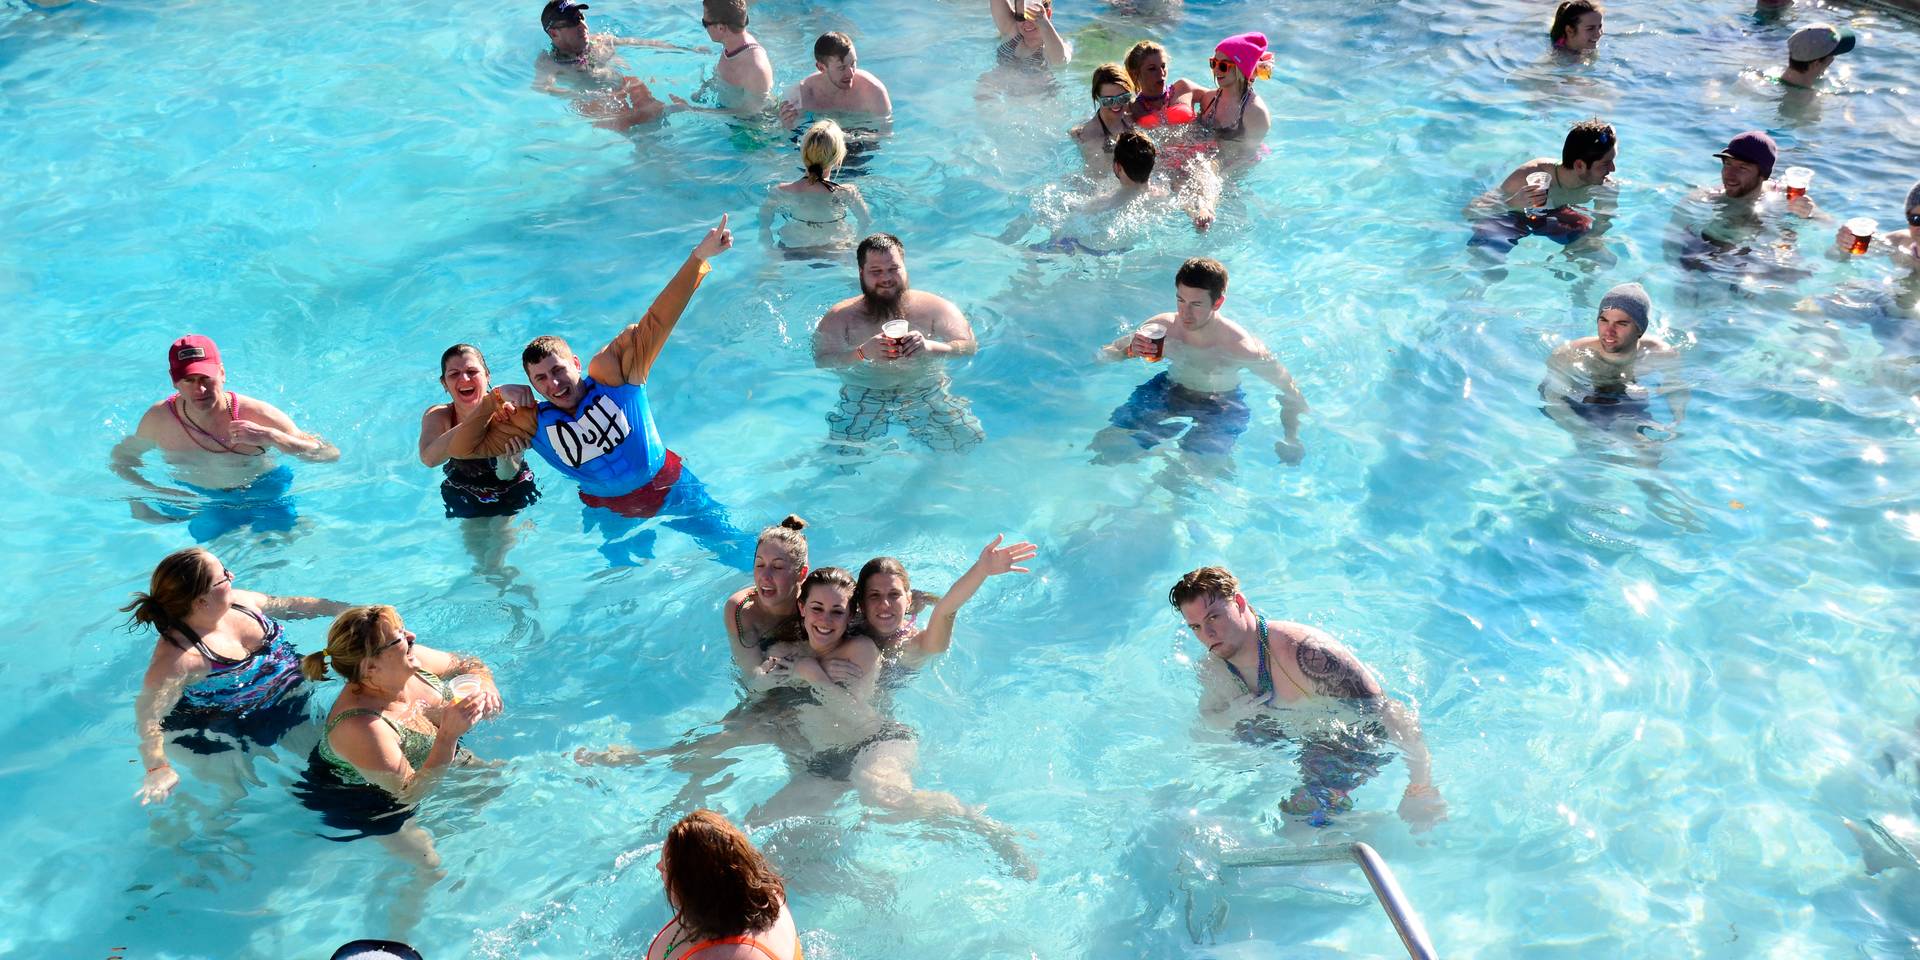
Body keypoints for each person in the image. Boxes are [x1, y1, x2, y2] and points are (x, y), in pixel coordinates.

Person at [446, 217, 752, 568]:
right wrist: (493, 399)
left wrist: (699, 257)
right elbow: (460, 448)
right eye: (541, 379)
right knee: (622, 575)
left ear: (575, 363)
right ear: (532, 385)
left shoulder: (616, 377)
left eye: (559, 370)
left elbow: (659, 319)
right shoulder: (530, 424)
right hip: (611, 507)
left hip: (669, 485)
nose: (554, 384)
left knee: (730, 544)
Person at [750, 569, 1030, 874]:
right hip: (826, 762)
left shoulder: (861, 651)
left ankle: (984, 827)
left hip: (876, 742)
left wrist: (813, 675)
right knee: (758, 828)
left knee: (885, 797)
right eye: (817, 609)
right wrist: (780, 673)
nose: (825, 620)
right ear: (802, 608)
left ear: (850, 616)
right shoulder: (787, 651)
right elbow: (757, 688)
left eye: (837, 612)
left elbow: (851, 713)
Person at [1168, 566, 1446, 831]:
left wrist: (1421, 785)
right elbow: (1207, 723)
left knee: (1294, 822)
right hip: (1289, 730)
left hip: (1345, 741)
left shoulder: (1305, 654)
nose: (1208, 635)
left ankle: (1353, 826)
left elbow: (1390, 712)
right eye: (1196, 628)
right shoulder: (1214, 666)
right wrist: (1233, 715)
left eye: (1213, 617)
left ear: (1239, 602)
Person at [127, 548, 351, 805]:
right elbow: (148, 715)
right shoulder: (178, 658)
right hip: (242, 722)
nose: (231, 575)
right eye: (223, 577)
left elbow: (291, 606)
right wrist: (158, 768)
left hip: (295, 694)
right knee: (335, 781)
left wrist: (351, 612)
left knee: (347, 756)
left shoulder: (241, 603)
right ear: (201, 601)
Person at [295, 605, 500, 862]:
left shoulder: (413, 662)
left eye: (403, 630)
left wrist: (488, 687)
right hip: (363, 798)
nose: (412, 636)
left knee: (495, 783)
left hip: (423, 754)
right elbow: (409, 793)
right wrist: (448, 736)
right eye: (399, 638)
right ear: (370, 668)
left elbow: (467, 664)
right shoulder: (361, 727)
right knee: (431, 867)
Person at [112, 335, 338, 542]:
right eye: (189, 380)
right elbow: (122, 460)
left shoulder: (257, 414)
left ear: (222, 373)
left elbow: (329, 454)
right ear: (174, 380)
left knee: (280, 546)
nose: (199, 389)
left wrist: (272, 436)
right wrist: (141, 497)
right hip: (203, 498)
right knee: (209, 544)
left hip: (263, 490)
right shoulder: (159, 420)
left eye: (206, 378)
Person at [1091, 257, 1308, 465]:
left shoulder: (1240, 346)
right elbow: (1103, 356)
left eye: (1196, 304)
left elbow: (1290, 392)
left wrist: (1292, 437)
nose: (1184, 313)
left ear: (1218, 302)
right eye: (1180, 300)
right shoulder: (1162, 327)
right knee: (1108, 448)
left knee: (1193, 474)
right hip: (1169, 390)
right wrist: (1129, 351)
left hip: (1220, 405)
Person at [812, 234, 985, 455]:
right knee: (843, 454)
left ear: (905, 268)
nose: (886, 278)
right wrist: (862, 353)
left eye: (893, 269)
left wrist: (932, 347)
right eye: (876, 271)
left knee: (968, 440)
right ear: (861, 273)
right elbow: (823, 361)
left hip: (924, 385)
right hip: (866, 390)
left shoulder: (936, 308)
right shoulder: (840, 318)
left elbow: (969, 346)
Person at [418, 345, 541, 573]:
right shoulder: (440, 415)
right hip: (464, 486)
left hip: (512, 484)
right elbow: (429, 458)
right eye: (454, 374)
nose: (464, 378)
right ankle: (506, 588)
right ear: (444, 384)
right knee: (479, 559)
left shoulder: (508, 413)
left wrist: (509, 458)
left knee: (495, 558)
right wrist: (484, 410)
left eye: (472, 372)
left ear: (487, 376)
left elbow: (507, 474)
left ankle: (510, 590)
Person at [852, 535, 1037, 668]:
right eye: (874, 595)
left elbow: (946, 611)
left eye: (894, 594)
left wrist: (982, 570)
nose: (885, 604)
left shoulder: (919, 644)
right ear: (861, 603)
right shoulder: (846, 625)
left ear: (908, 600)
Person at [645, 810, 803, 960]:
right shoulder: (767, 897)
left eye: (666, 864)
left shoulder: (723, 955)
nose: (658, 867)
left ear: (694, 887)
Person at [1539, 282, 1688, 434]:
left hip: (1626, 401)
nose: (1609, 331)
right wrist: (1581, 431)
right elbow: (1552, 399)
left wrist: (1677, 421)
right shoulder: (1569, 354)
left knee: (1650, 452)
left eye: (1621, 323)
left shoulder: (1662, 354)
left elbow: (1676, 389)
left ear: (1640, 329)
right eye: (1604, 320)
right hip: (1580, 402)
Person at [1670, 131, 1822, 271]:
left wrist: (1810, 213)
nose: (1730, 175)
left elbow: (1828, 224)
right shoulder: (1704, 198)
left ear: (1763, 174)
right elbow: (1671, 244)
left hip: (1760, 262)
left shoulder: (1785, 195)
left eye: (1742, 168)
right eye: (1727, 164)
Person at [1470, 118, 1618, 254]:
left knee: (1600, 257)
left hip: (1556, 214)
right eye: (1606, 163)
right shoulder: (1528, 176)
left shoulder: (1603, 185)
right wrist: (1512, 202)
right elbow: (1472, 211)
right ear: (1579, 165)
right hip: (1513, 216)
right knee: (1487, 257)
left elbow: (1601, 225)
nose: (1613, 169)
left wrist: (1580, 246)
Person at [758, 120, 873, 255]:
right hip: (835, 250)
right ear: (838, 158)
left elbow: (764, 225)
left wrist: (771, 252)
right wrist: (854, 246)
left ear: (803, 153)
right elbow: (865, 223)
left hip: (793, 248)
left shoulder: (780, 191)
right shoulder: (847, 192)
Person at [534, 0, 696, 93]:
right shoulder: (549, 62)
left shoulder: (598, 41)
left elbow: (640, 42)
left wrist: (686, 49)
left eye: (581, 17)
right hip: (600, 106)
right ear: (554, 34)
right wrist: (582, 96)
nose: (582, 25)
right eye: (573, 21)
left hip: (625, 86)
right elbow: (543, 88)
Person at [777, 32, 893, 129]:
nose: (850, 73)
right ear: (821, 68)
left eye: (853, 64)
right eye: (841, 68)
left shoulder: (873, 92)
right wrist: (787, 126)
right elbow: (786, 138)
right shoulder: (800, 96)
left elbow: (885, 134)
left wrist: (846, 137)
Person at [1186, 33, 1272, 163]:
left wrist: (1218, 173)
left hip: (1231, 169)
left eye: (1223, 66)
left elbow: (1247, 157)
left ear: (1241, 69)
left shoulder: (1256, 113)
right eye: (1213, 63)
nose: (1216, 70)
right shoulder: (1209, 99)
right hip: (1204, 158)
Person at [694, 0, 773, 110]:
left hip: (747, 126)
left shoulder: (755, 68)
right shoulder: (731, 45)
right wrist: (698, 96)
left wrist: (692, 110)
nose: (705, 28)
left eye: (705, 23)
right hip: (726, 111)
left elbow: (750, 115)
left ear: (721, 28)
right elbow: (719, 78)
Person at [1833, 179, 1920, 270]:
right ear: (1907, 218)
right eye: (1917, 219)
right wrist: (1843, 246)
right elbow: (1834, 258)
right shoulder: (1897, 242)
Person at [1123, 41, 1197, 128]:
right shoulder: (1132, 109)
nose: (1161, 73)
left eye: (1163, 66)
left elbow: (1215, 98)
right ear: (1136, 74)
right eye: (1152, 69)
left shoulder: (1184, 89)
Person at [1070, 62, 1136, 158]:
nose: (1116, 104)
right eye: (1108, 100)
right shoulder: (1087, 136)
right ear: (1097, 98)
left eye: (1123, 98)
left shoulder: (1135, 114)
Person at [987, 0, 1071, 69]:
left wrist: (1044, 23)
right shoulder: (1012, 32)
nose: (1027, 23)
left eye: (1033, 16)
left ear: (1047, 14)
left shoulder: (1052, 48)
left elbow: (1060, 62)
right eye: (1020, 17)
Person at [1780, 23, 1856, 89]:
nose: (1833, 60)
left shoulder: (1770, 82)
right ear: (1816, 64)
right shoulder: (1810, 102)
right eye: (1833, 55)